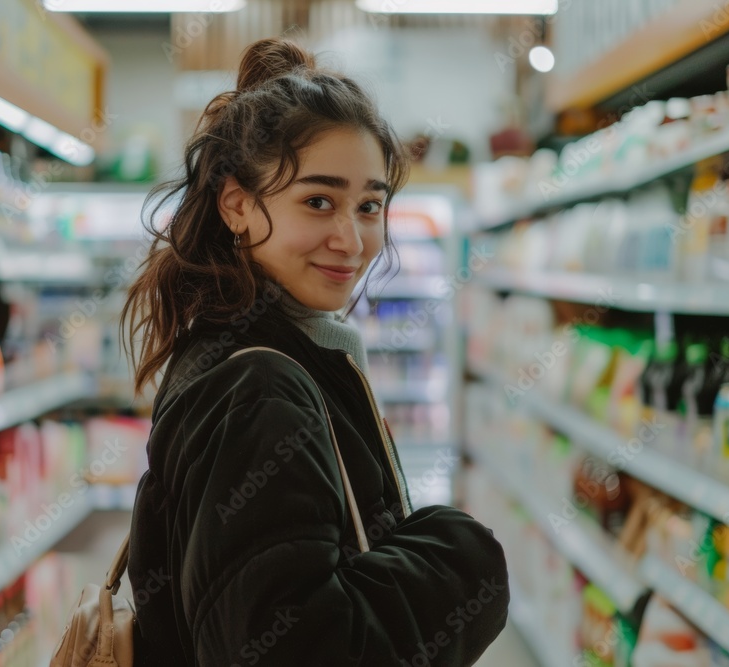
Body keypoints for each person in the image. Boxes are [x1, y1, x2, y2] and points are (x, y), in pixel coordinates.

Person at [121, 37, 509, 666]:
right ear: (238, 205)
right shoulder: (258, 388)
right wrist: (465, 560)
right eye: (318, 202)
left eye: (370, 206)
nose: (351, 240)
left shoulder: (249, 349)